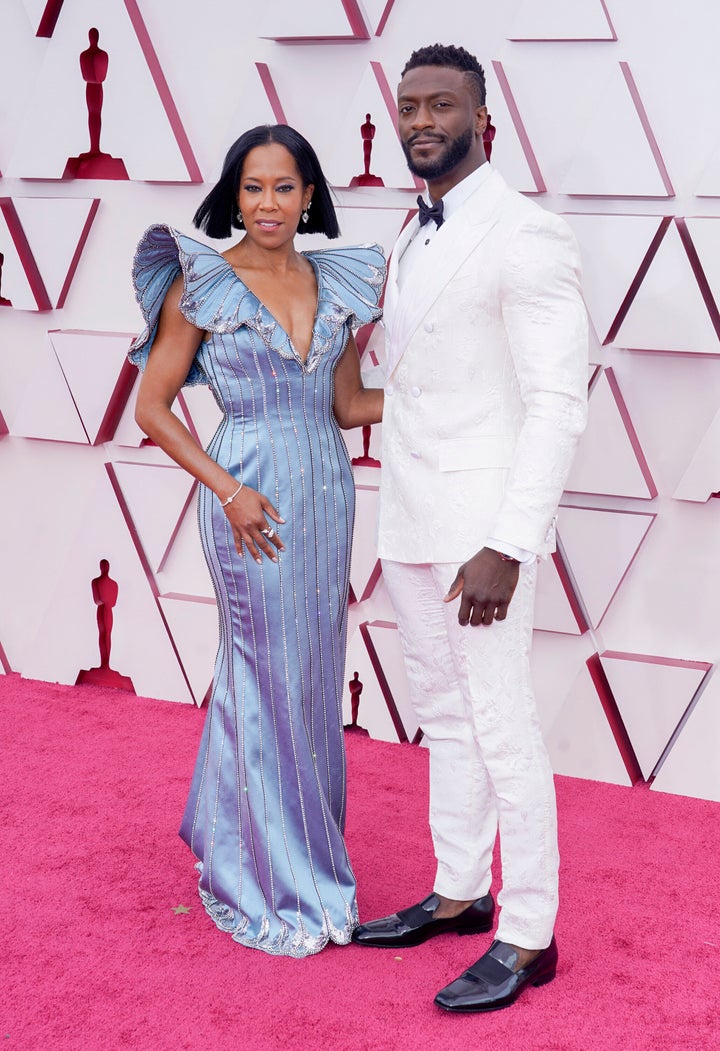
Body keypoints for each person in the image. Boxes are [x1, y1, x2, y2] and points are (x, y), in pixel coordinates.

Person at [351, 44, 588, 1012]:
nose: (420, 119)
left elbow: (556, 401)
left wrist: (509, 541)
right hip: (409, 511)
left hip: (481, 532)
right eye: (409, 104)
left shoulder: (528, 235)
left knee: (501, 727)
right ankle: (460, 890)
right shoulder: (410, 229)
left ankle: (528, 933)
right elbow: (406, 386)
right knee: (444, 716)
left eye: (441, 104)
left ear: (484, 123)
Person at [129, 124, 385, 957]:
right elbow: (153, 408)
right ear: (232, 195)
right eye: (252, 188)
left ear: (309, 194)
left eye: (283, 187)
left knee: (309, 677)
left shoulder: (336, 278)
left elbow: (347, 408)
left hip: (325, 487)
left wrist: (450, 396)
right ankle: (266, 875)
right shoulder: (202, 283)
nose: (268, 203)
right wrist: (229, 490)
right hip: (247, 493)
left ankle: (296, 851)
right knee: (264, 670)